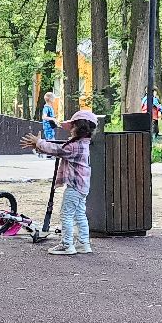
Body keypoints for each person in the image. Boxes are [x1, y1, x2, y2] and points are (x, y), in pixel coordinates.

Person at [23, 109, 97, 255]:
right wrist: (39, 146)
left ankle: (67, 244)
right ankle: (83, 243)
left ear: (79, 128)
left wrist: (39, 142)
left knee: (66, 214)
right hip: (82, 186)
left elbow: (56, 150)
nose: (70, 130)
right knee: (79, 214)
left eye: (73, 127)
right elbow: (59, 151)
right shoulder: (83, 144)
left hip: (74, 187)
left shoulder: (75, 146)